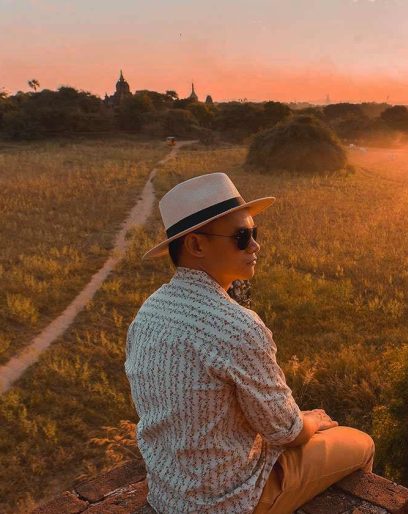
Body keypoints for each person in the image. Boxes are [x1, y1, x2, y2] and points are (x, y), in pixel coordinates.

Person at [125, 172, 374, 514]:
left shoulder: (148, 312)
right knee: (361, 443)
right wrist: (313, 420)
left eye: (255, 234)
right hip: (227, 499)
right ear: (196, 245)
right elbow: (286, 432)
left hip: (168, 494)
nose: (255, 246)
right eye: (242, 237)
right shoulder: (237, 325)